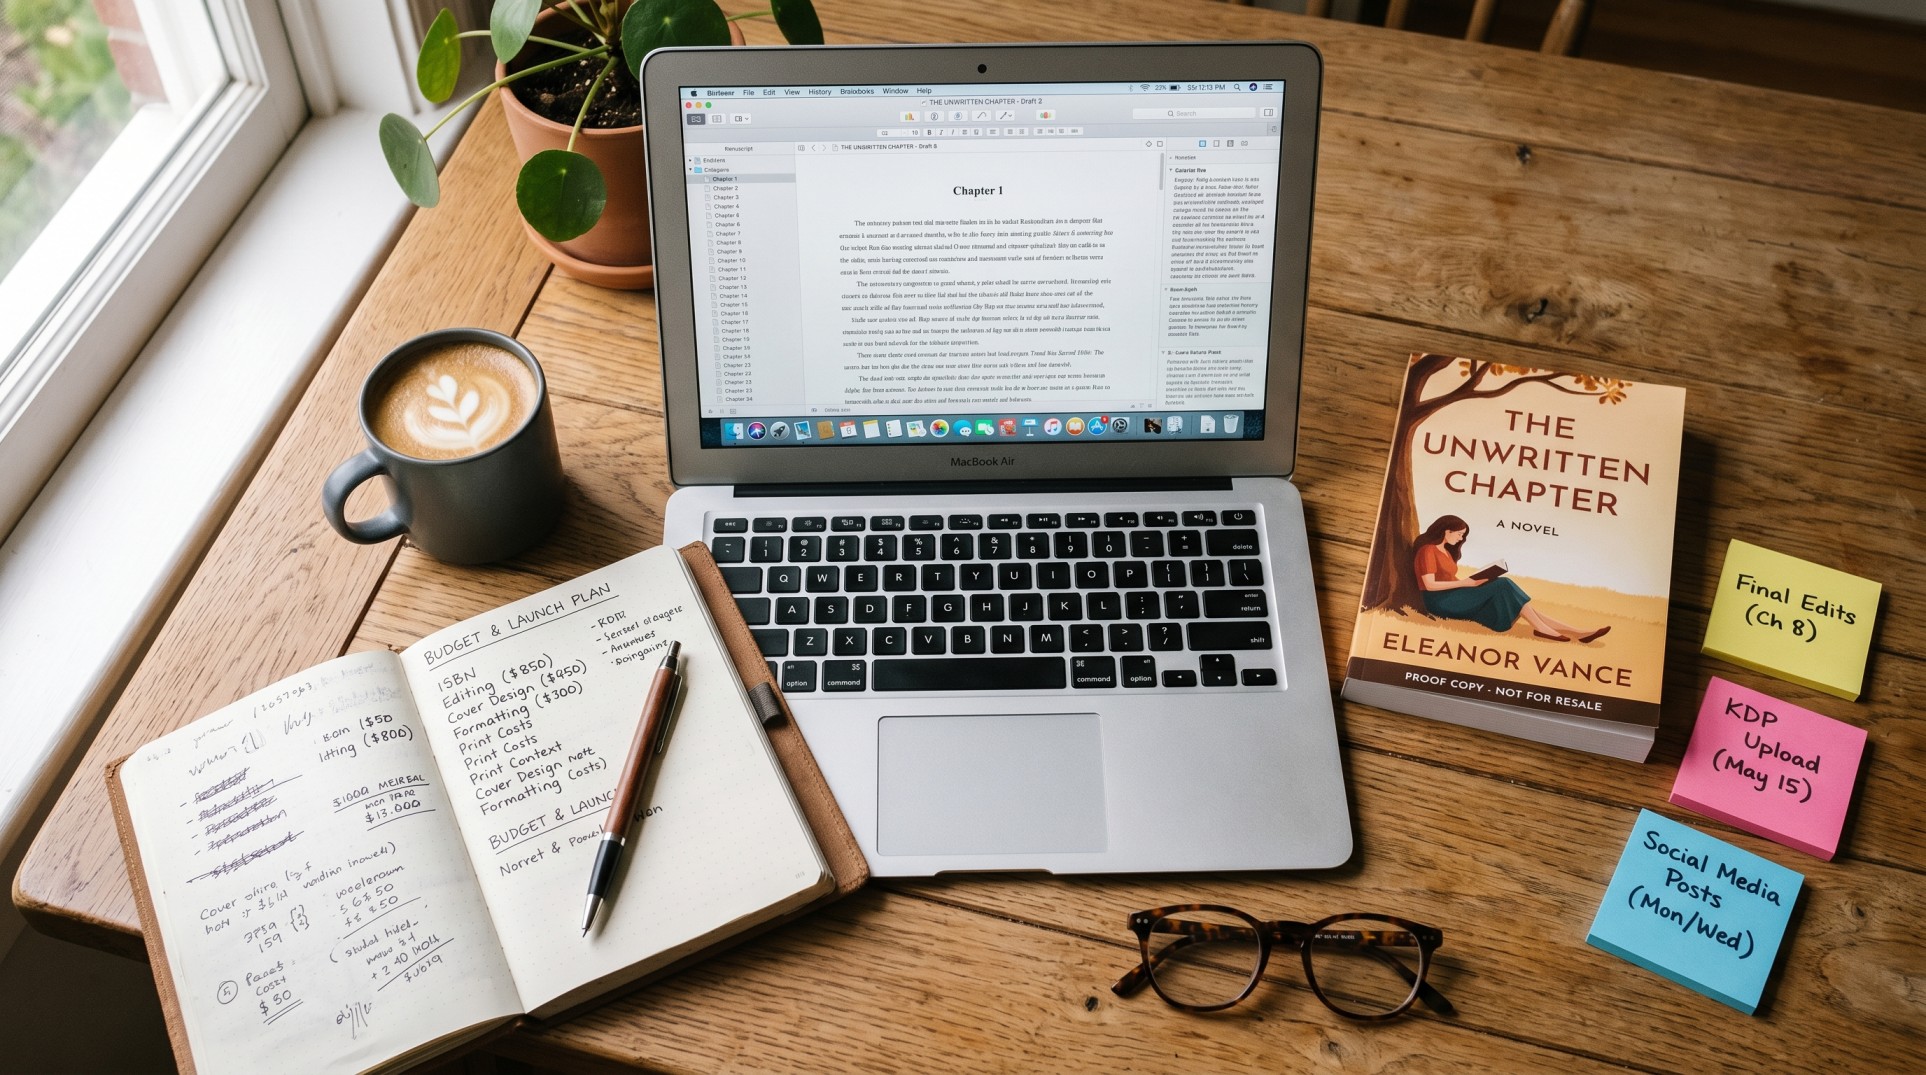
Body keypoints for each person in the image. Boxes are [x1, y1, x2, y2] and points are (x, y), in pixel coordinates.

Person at [1411, 515, 1609, 643]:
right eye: (1460, 534)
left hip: (1454, 594)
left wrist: (1475, 582)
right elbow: (1429, 585)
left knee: (1519, 602)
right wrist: (1466, 583)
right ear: (1447, 531)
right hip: (1440, 601)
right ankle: (1543, 629)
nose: (1461, 539)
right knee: (1504, 584)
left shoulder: (1446, 552)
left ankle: (1578, 632)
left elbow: (1449, 579)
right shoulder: (1427, 551)